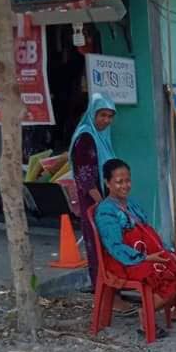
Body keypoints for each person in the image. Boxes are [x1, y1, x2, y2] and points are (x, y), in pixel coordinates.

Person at [95, 159, 176, 339]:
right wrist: (146, 258)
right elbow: (115, 247)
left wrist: (166, 251)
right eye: (119, 182)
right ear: (107, 183)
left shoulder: (132, 204)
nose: (125, 185)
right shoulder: (106, 211)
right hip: (124, 260)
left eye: (127, 180)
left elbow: (150, 233)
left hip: (145, 253)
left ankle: (163, 310)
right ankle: (146, 314)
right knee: (162, 274)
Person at [69, 93, 131, 313]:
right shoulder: (86, 138)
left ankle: (115, 293)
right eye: (102, 115)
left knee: (112, 247)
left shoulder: (101, 138)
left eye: (110, 116)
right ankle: (107, 297)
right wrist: (105, 206)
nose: (106, 120)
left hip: (106, 204)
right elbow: (85, 178)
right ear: (92, 114)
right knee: (100, 250)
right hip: (95, 206)